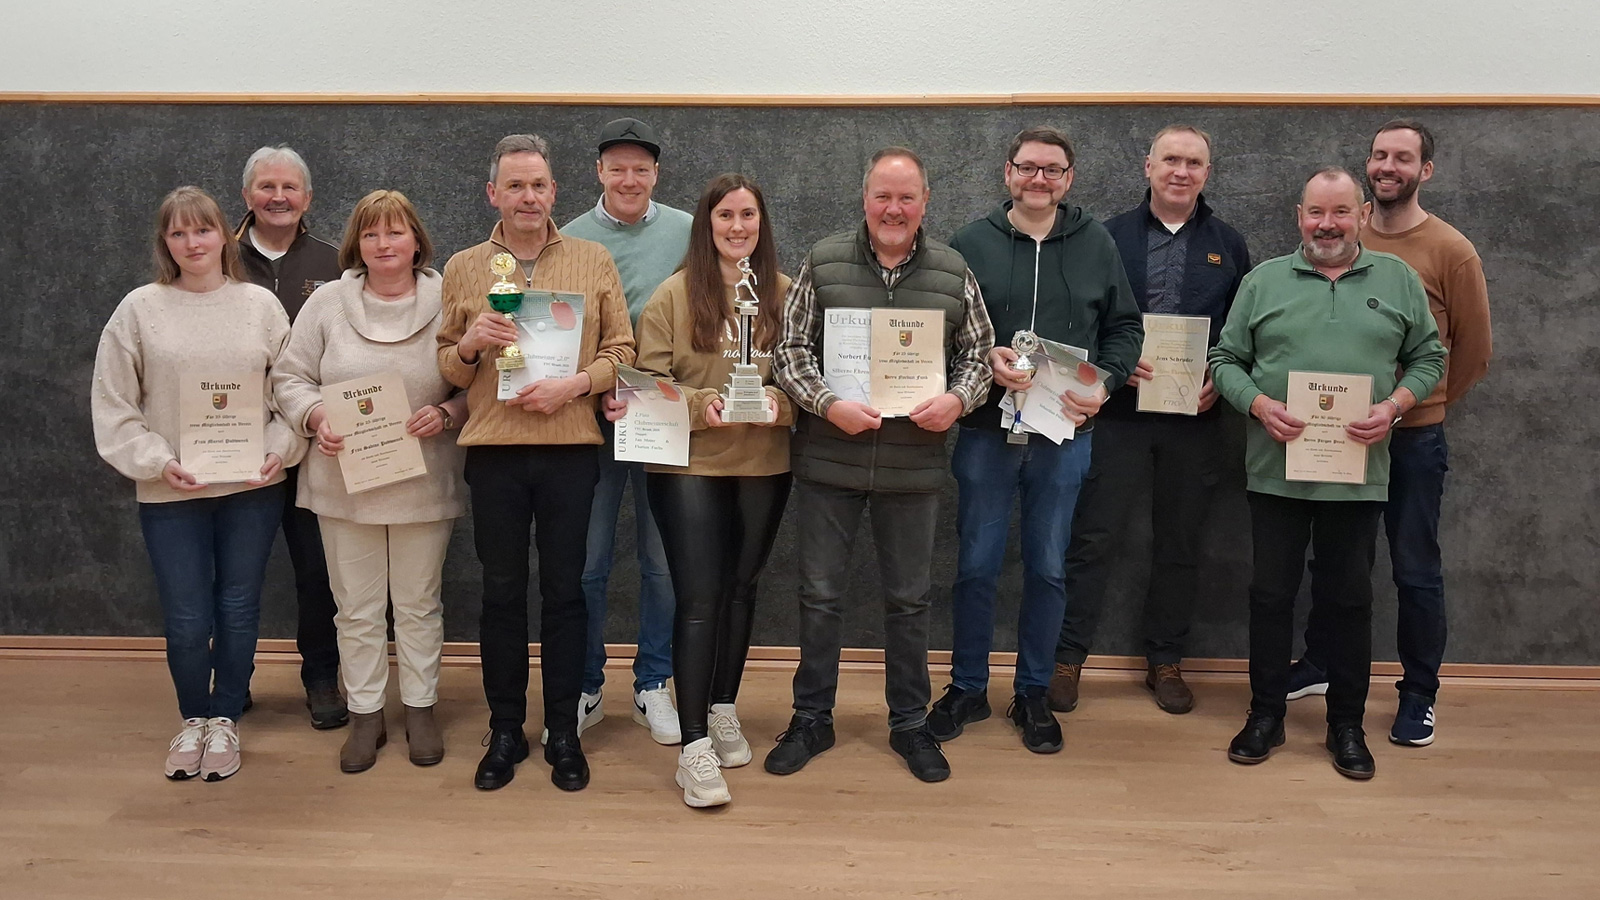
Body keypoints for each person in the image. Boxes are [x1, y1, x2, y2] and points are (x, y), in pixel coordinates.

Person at [1210, 167, 1445, 780]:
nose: (1327, 224)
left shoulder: (1398, 280)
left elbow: (1429, 357)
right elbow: (1226, 359)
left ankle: (1346, 724)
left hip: (1357, 472)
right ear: (1299, 216)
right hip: (1275, 471)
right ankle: (1265, 715)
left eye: (1341, 212)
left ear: (1362, 215)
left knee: (1349, 600)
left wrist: (1394, 407)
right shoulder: (1263, 281)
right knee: (1269, 596)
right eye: (1316, 212)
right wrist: (1258, 405)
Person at [768, 147, 994, 784]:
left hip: (912, 466)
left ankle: (910, 723)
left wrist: (958, 399)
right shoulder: (823, 261)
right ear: (864, 199)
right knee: (818, 597)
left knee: (910, 601)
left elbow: (979, 354)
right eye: (883, 196)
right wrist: (827, 404)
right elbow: (789, 351)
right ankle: (812, 718)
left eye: (906, 197)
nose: (894, 209)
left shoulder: (953, 270)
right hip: (829, 458)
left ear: (925, 202)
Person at [934, 126, 1142, 754]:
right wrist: (981, 361)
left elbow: (1125, 328)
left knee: (1049, 568)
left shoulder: (1095, 243)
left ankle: (1032, 692)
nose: (1039, 179)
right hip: (986, 431)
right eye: (1028, 167)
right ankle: (968, 687)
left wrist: (1106, 385)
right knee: (976, 565)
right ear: (1008, 173)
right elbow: (943, 328)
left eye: (1052, 170)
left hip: (1064, 433)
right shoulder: (969, 243)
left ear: (1068, 179)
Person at [436, 134, 634, 792]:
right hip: (494, 453)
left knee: (566, 592)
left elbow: (622, 351)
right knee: (499, 593)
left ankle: (562, 730)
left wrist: (574, 386)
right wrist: (470, 344)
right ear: (493, 193)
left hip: (569, 451)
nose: (528, 196)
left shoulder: (591, 259)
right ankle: (504, 729)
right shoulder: (465, 267)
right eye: (515, 185)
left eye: (539, 185)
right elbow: (446, 364)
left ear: (554, 192)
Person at [1286, 120, 1492, 748]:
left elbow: (1471, 352)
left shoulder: (1451, 250)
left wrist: (1414, 407)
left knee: (1415, 569)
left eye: (1403, 157)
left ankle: (1419, 694)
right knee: (1336, 561)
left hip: (1412, 441)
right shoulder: (1341, 229)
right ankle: (1321, 661)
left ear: (1425, 170)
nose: (1388, 166)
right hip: (1339, 433)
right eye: (1379, 155)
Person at [92, 185, 304, 781]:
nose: (192, 243)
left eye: (203, 229)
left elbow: (289, 392)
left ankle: (226, 719)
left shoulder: (260, 306)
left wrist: (279, 449)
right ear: (165, 242)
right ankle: (193, 718)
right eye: (178, 232)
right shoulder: (139, 309)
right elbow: (114, 403)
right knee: (186, 615)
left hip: (251, 490)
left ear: (223, 236)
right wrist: (158, 461)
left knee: (238, 607)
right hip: (171, 492)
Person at [1047, 125, 1252, 716]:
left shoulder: (1229, 245)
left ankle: (1165, 659)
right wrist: (1113, 366)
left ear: (1206, 173)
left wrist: (1220, 378)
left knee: (1181, 542)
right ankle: (1067, 657)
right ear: (1148, 166)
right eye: (1170, 160)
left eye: (1193, 163)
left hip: (1195, 418)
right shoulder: (1105, 237)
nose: (1181, 172)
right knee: (1093, 537)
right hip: (1118, 414)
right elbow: (1082, 320)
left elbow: (1242, 332)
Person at [610, 173, 794, 807]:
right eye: (725, 216)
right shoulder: (673, 295)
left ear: (762, 223)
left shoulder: (785, 293)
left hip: (764, 463)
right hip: (688, 466)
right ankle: (693, 748)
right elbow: (647, 381)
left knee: (742, 590)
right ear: (705, 224)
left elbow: (808, 377)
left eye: (748, 215)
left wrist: (775, 403)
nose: (737, 227)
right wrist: (701, 405)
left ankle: (722, 708)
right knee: (698, 598)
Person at [272, 190, 469, 773]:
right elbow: (289, 377)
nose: (384, 244)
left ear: (417, 241)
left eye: (396, 232)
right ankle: (365, 713)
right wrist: (316, 417)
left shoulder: (449, 298)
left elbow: (480, 379)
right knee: (355, 608)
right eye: (371, 234)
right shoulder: (327, 303)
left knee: (418, 603)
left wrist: (449, 413)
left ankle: (421, 708)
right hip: (342, 483)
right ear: (357, 244)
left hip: (423, 481)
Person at [561, 118, 693, 745]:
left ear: (656, 174)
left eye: (641, 169)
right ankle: (587, 684)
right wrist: (595, 386)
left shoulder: (689, 232)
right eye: (618, 168)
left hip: (664, 414)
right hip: (590, 417)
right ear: (599, 173)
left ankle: (652, 683)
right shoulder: (568, 239)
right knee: (587, 562)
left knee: (662, 562)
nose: (629, 179)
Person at [234, 145, 347, 730]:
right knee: (236, 573)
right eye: (266, 186)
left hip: (316, 444)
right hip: (234, 444)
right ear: (246, 195)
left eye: (289, 187)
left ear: (308, 197)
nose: (278, 197)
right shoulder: (214, 259)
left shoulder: (337, 263)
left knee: (317, 572)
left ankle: (322, 679)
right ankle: (231, 679)